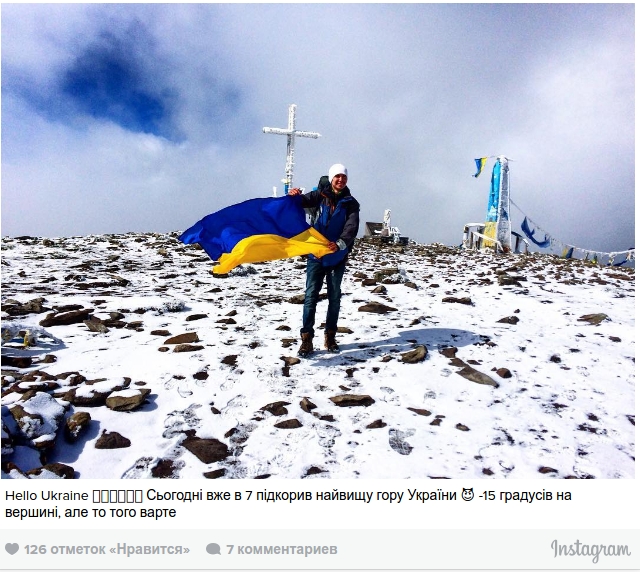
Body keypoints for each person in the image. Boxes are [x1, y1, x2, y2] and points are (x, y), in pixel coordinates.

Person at [288, 163, 360, 356]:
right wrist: (293, 195)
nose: (340, 180)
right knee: (310, 296)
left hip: (337, 256)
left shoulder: (351, 203)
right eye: (337, 176)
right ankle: (307, 340)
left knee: (334, 298)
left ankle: (330, 337)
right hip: (317, 255)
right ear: (331, 178)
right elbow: (299, 202)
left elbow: (351, 228)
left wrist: (340, 244)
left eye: (343, 177)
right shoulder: (320, 196)